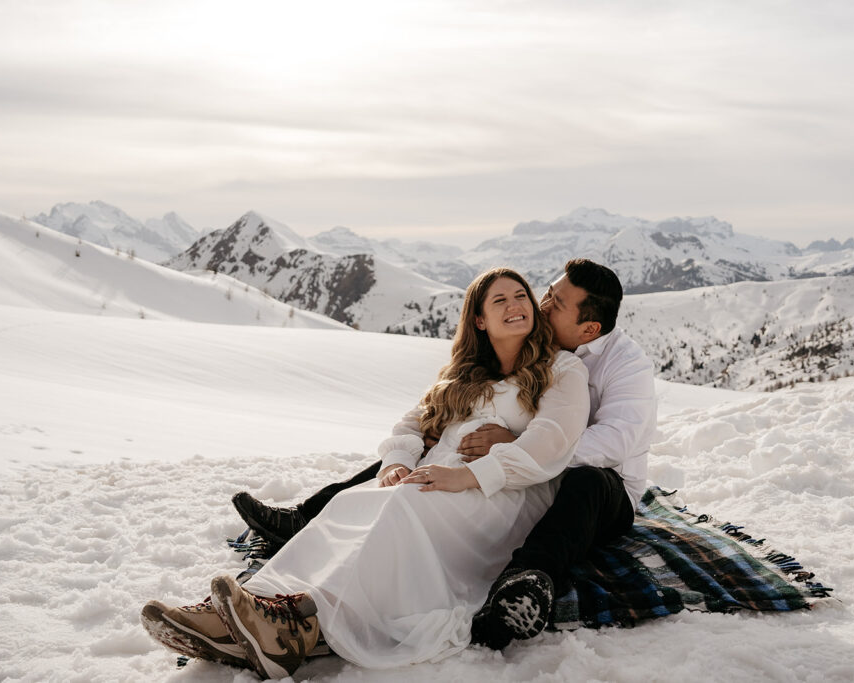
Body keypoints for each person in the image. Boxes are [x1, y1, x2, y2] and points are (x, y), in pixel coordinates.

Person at [142, 267, 592, 678]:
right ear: (479, 320)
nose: (516, 305)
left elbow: (552, 440)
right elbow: (411, 424)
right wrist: (397, 462)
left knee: (406, 507)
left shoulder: (561, 369)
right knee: (350, 503)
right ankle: (247, 609)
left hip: (507, 493)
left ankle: (299, 624)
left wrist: (469, 475)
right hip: (441, 479)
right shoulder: (463, 375)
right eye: (500, 300)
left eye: (521, 296)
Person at [232, 259, 657, 649]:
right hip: (513, 465)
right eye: (546, 293)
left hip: (602, 486)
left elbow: (611, 444)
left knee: (582, 482)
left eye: (556, 304)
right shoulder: (516, 353)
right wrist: (421, 452)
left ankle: (526, 582)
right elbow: (422, 420)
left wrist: (510, 443)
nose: (541, 306)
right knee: (417, 460)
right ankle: (306, 525)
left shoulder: (618, 366)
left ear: (589, 329)